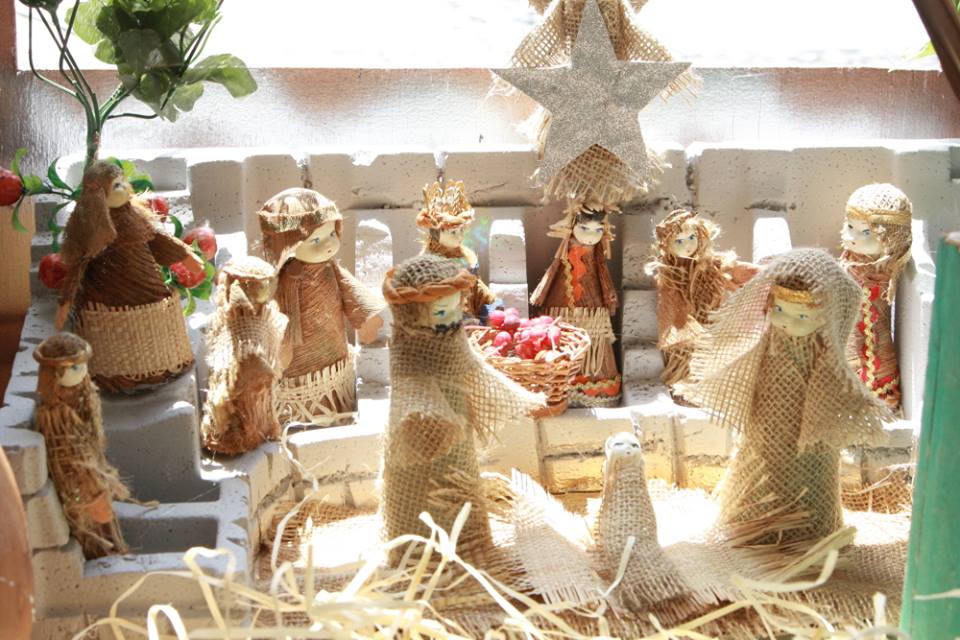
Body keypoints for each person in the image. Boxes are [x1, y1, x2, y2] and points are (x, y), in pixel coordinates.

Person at [57, 161, 202, 393]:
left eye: (123, 182)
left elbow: (156, 239)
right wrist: (66, 302)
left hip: (150, 294)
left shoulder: (133, 217)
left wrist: (184, 255)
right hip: (108, 304)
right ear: (99, 196)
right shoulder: (91, 229)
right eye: (116, 185)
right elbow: (78, 266)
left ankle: (164, 367)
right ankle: (121, 378)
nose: (124, 188)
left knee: (159, 340)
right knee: (118, 348)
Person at [259, 188, 384, 426]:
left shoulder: (330, 269)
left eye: (332, 234)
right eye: (315, 240)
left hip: (332, 354)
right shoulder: (281, 281)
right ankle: (297, 416)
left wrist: (367, 319)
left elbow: (352, 291)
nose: (328, 245)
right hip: (294, 362)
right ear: (288, 244)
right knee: (295, 375)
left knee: (331, 389)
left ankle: (335, 412)